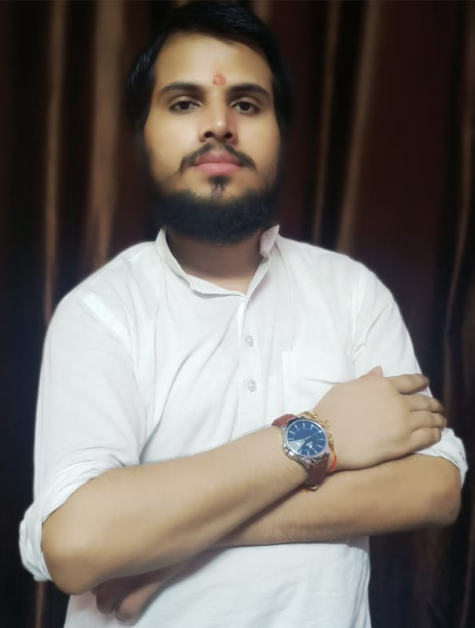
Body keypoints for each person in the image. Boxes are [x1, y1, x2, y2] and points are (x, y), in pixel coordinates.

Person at [20, 2, 467, 627]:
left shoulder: (351, 292)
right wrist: (321, 433)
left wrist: (171, 546)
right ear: (141, 136)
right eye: (185, 103)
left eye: (248, 105)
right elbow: (77, 543)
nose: (219, 126)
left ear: (281, 133)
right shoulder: (99, 312)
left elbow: (434, 486)